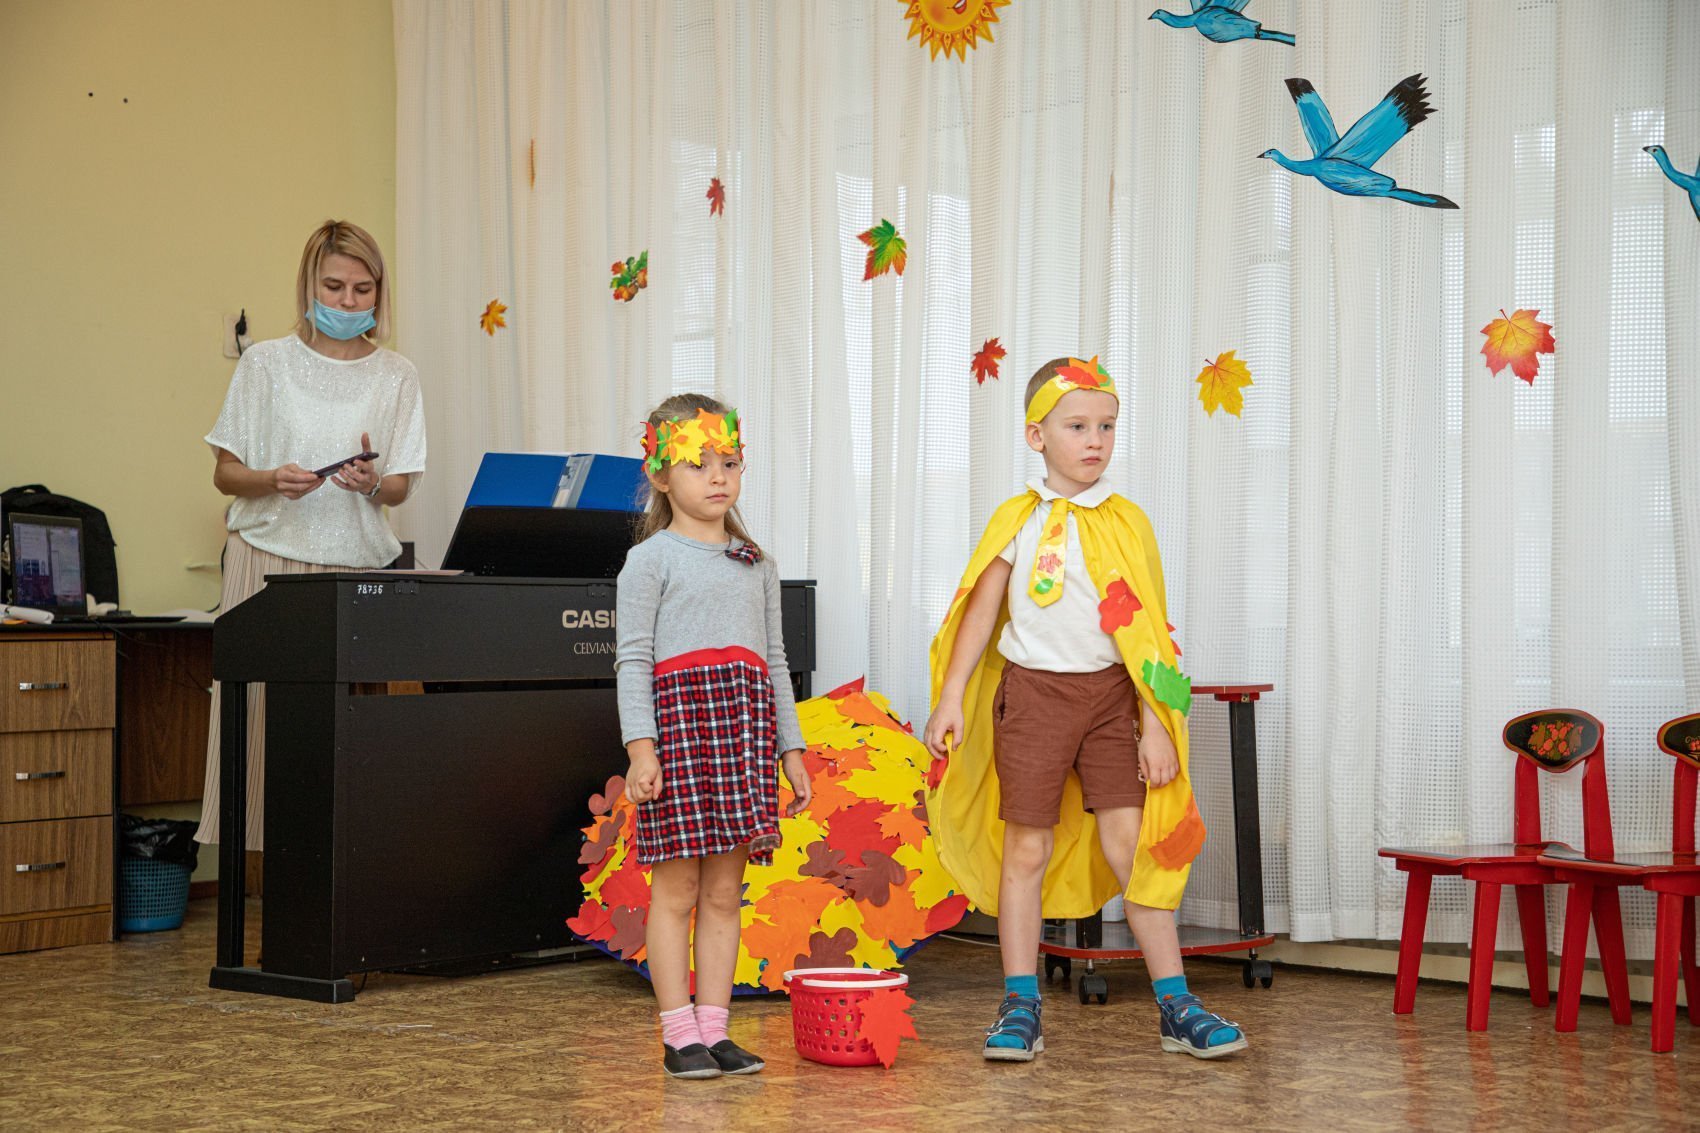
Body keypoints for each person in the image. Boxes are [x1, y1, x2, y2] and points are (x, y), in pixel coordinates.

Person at [924, 356, 1246, 1061]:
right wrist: (950, 696)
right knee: (1027, 847)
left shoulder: (1128, 522)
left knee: (1133, 848)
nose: (1094, 440)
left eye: (1106, 426)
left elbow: (1150, 631)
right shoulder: (1016, 520)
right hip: (1034, 698)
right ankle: (1020, 1004)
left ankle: (1176, 1005)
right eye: (1077, 426)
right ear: (1036, 436)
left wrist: (1156, 723)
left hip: (1109, 701)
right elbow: (978, 613)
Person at [195, 220, 427, 860]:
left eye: (362, 290)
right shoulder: (265, 363)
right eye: (334, 287)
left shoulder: (397, 375)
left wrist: (372, 484)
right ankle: (262, 888)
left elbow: (401, 486)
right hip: (265, 568)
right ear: (309, 286)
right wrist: (272, 479)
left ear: (379, 293)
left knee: (350, 744)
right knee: (258, 733)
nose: (348, 301)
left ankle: (347, 880)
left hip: (356, 577)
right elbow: (225, 473)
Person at [614, 393, 813, 1079]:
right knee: (676, 891)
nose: (718, 476)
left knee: (726, 893)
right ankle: (679, 1035)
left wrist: (791, 750)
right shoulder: (650, 561)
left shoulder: (756, 562)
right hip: (679, 735)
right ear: (661, 475)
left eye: (729, 461)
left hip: (743, 735)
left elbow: (776, 661)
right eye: (699, 464)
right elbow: (633, 659)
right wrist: (641, 749)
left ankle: (715, 1029)